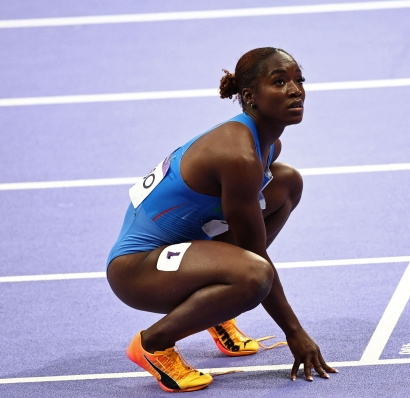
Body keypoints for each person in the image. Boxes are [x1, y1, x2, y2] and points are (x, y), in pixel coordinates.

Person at [106, 47, 337, 393]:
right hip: (137, 269)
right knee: (253, 275)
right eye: (279, 82)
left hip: (182, 249)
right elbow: (254, 257)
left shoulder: (267, 146)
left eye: (298, 80)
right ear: (250, 97)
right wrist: (294, 332)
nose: (295, 90)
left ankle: (214, 310)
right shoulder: (238, 155)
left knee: (287, 183)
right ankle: (153, 344)